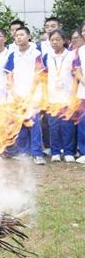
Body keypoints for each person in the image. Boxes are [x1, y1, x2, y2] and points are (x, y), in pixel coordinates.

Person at [4, 26, 46, 165]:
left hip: (32, 95)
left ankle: (37, 153)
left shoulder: (36, 53)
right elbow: (9, 75)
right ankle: (23, 152)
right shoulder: (13, 55)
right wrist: (14, 92)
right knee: (19, 124)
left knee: (33, 123)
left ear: (28, 36)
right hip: (16, 96)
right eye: (16, 36)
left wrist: (30, 93)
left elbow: (38, 75)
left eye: (21, 35)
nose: (18, 37)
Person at [42, 29, 76, 163]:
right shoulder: (47, 56)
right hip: (52, 97)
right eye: (52, 40)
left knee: (67, 126)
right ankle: (55, 151)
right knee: (54, 125)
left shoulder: (72, 55)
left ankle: (68, 152)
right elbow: (42, 77)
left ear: (64, 40)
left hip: (67, 96)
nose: (55, 42)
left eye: (58, 39)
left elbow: (76, 75)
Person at [74, 26, 85, 164]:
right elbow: (76, 70)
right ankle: (83, 151)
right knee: (83, 123)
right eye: (83, 31)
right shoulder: (80, 51)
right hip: (83, 93)